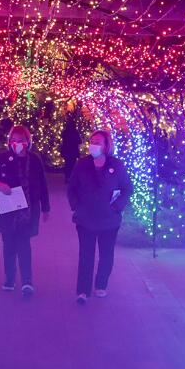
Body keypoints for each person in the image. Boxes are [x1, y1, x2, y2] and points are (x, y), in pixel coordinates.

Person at [0, 125, 50, 296]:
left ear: (28, 142)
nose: (17, 143)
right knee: (9, 244)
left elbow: (42, 183)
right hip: (7, 209)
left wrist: (46, 207)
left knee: (24, 244)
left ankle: (27, 281)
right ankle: (10, 278)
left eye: (21, 140)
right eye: (14, 140)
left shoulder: (34, 160)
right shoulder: (2, 158)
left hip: (28, 209)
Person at [67, 129, 134, 304]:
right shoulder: (82, 164)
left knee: (106, 254)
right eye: (92, 141)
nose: (93, 145)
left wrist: (117, 207)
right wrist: (75, 205)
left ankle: (101, 284)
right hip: (85, 218)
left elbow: (127, 188)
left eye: (98, 142)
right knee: (86, 255)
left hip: (109, 220)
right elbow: (72, 187)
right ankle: (83, 291)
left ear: (106, 145)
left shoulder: (116, 166)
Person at [60, 111, 82, 181]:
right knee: (72, 164)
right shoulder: (75, 132)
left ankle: (67, 176)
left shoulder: (65, 132)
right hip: (73, 151)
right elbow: (79, 141)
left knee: (67, 164)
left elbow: (62, 139)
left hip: (66, 151)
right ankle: (70, 177)